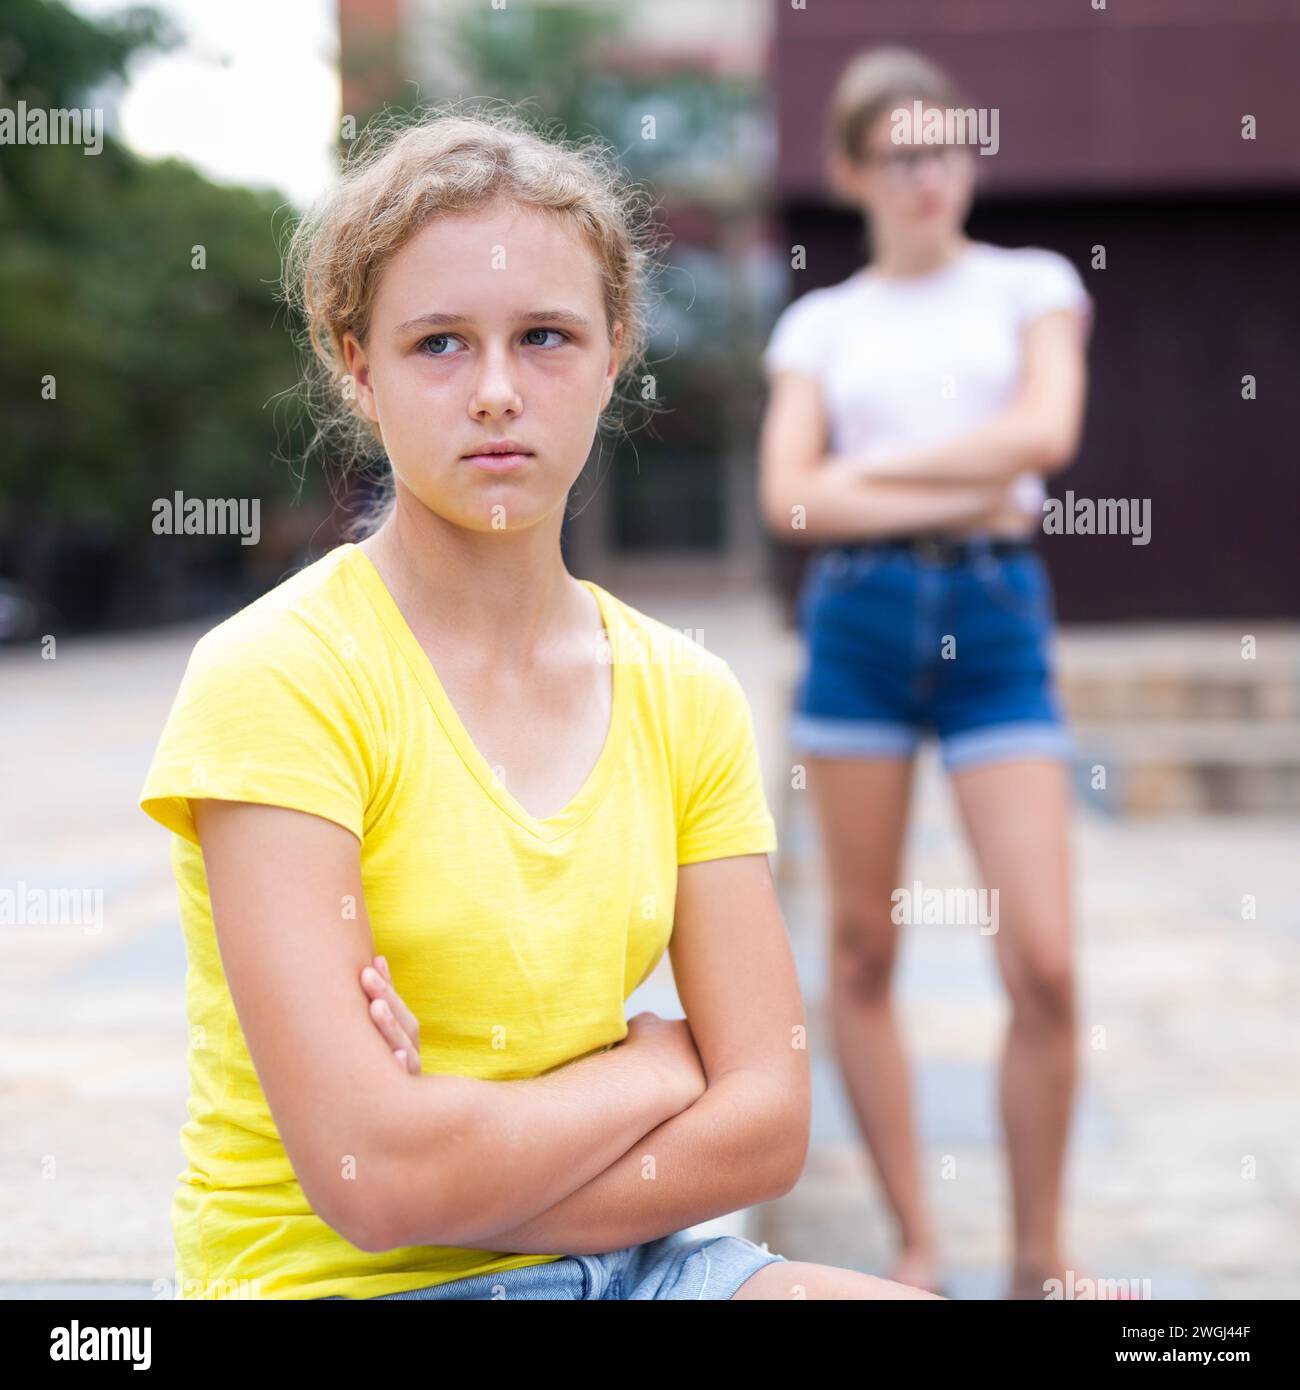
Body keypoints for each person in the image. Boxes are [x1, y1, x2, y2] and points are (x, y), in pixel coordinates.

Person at [138, 105, 941, 1301]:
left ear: (616, 352)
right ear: (358, 369)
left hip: (642, 1264)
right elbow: (369, 1178)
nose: (500, 391)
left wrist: (457, 1154)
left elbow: (770, 1125)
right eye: (441, 345)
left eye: (548, 336)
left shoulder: (683, 691)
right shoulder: (281, 676)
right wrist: (658, 1070)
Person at [758, 48, 1093, 1299]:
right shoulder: (821, 322)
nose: (928, 175)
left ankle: (1039, 1253)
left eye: (947, 146)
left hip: (996, 617)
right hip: (860, 621)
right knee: (858, 951)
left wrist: (863, 483)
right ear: (851, 170)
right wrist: (972, 470)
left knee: (1046, 963)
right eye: (899, 154)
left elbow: (1045, 436)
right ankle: (915, 1242)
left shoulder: (1030, 286)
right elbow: (785, 497)